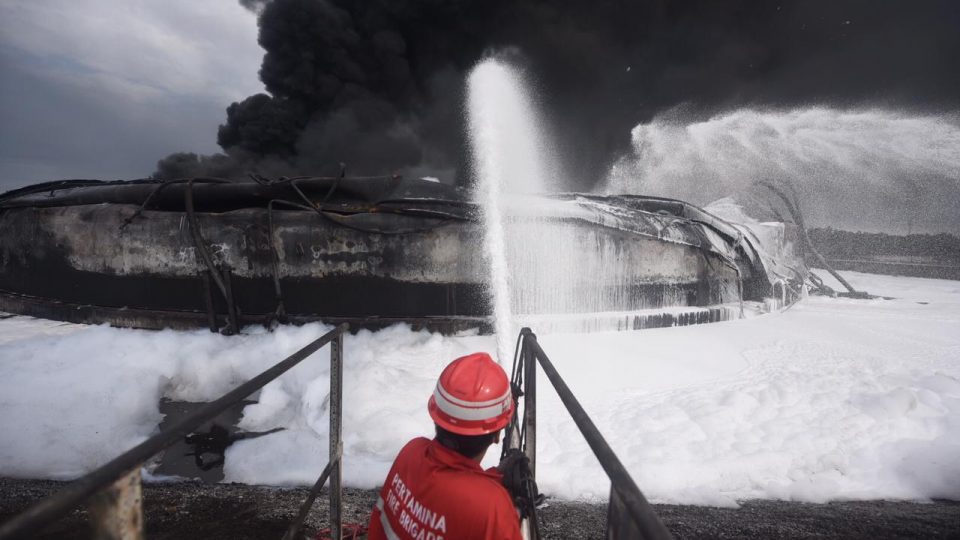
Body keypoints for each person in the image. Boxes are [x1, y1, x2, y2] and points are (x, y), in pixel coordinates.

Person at [367, 352, 524, 540]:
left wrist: (496, 477)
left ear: (437, 415)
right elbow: (469, 501)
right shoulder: (492, 509)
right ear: (497, 434)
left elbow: (446, 490)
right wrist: (515, 510)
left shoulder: (411, 452)